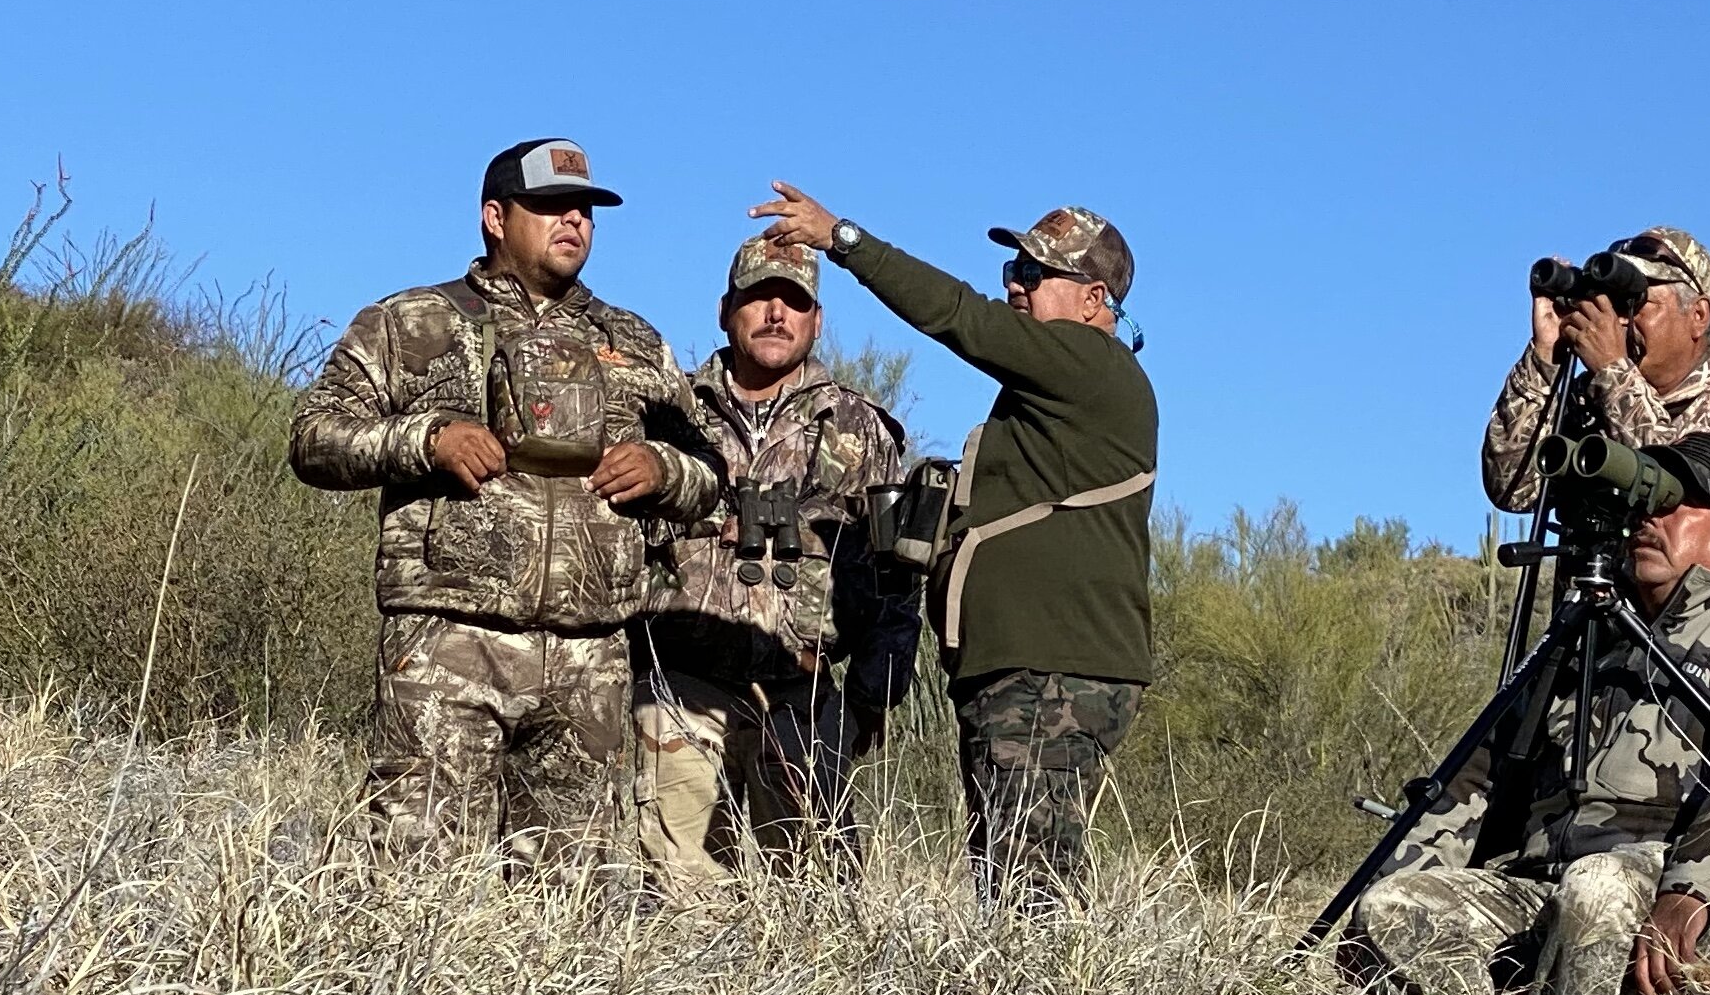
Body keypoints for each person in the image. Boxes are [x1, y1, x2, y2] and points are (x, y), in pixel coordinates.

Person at [289, 138, 721, 856]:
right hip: (447, 643)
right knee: (417, 879)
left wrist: (662, 469)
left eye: (584, 209)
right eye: (551, 206)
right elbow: (313, 439)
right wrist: (427, 440)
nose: (573, 222)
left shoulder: (636, 341)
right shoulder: (411, 322)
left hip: (592, 656)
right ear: (495, 216)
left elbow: (708, 471)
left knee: (568, 900)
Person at [1353, 434, 1710, 995]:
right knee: (1392, 909)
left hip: (1707, 901)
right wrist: (1405, 873)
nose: (1650, 517)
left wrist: (1688, 891)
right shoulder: (1589, 632)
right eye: (1646, 500)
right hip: (1551, 895)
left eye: (1679, 502)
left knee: (1600, 885)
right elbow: (1475, 782)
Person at [745, 185, 1153, 900]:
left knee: (1032, 889)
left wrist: (843, 240)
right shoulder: (1051, 392)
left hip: (1050, 671)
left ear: (1094, 301)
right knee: (1009, 870)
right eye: (1012, 270)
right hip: (1022, 671)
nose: (1014, 287)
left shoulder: (1090, 365)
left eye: (1035, 274)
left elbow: (960, 317)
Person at [632, 226, 918, 892]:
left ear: (817, 319)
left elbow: (896, 571)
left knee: (815, 903)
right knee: (680, 893)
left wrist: (872, 696)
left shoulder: (859, 425)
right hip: (681, 684)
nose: (775, 314)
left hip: (803, 691)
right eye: (759, 297)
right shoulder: (667, 413)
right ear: (726, 311)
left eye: (792, 301)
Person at [1481, 227, 1710, 580]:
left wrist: (1613, 372)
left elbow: (1681, 501)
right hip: (1588, 622)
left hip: (1700, 628)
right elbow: (1512, 488)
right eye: (1614, 303)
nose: (1617, 319)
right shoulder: (1593, 393)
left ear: (1698, 315)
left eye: (1636, 302)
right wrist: (1546, 361)